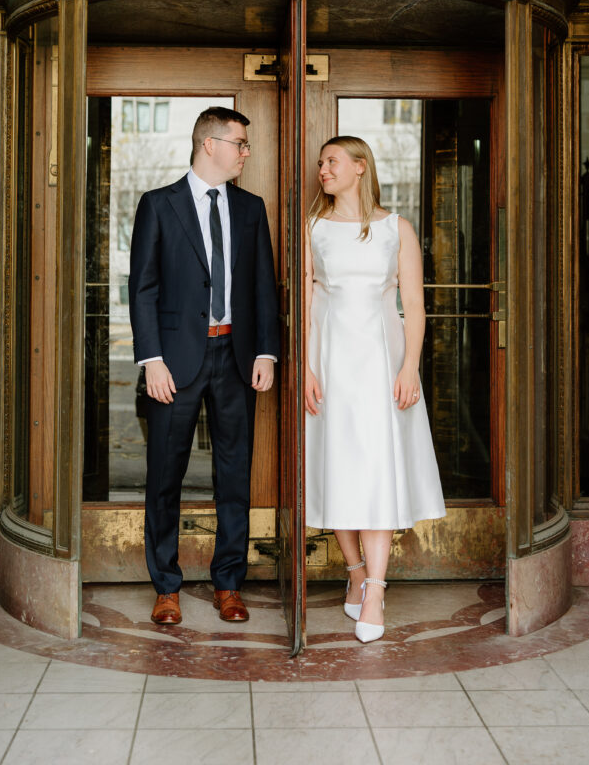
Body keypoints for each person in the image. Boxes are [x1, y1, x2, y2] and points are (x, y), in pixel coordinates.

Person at [129, 107, 279, 626]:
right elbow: (142, 288)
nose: (245, 153)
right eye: (240, 143)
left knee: (234, 475)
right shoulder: (158, 205)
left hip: (236, 357)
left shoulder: (251, 208)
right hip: (173, 361)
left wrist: (265, 351)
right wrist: (150, 359)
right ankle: (166, 587)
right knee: (164, 476)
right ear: (209, 144)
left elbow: (263, 288)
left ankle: (228, 584)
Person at [305, 136, 445, 643]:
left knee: (377, 471)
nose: (324, 169)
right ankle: (355, 570)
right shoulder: (313, 228)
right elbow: (304, 304)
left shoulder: (397, 229)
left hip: (383, 366)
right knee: (338, 468)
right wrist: (306, 369)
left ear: (360, 167)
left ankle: (378, 589)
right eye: (321, 163)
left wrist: (410, 367)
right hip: (331, 364)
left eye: (333, 161)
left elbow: (413, 304)